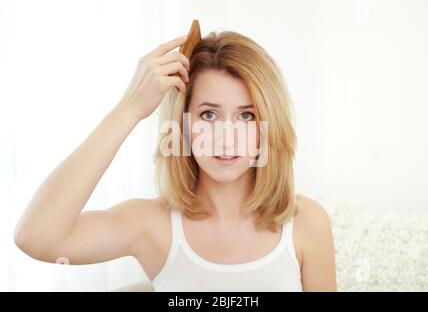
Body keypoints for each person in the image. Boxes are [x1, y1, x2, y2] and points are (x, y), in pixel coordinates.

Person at [14, 31, 336, 291]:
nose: (226, 137)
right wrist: (130, 108)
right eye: (208, 114)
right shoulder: (151, 224)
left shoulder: (307, 222)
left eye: (247, 116)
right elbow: (37, 238)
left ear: (269, 126)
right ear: (182, 126)